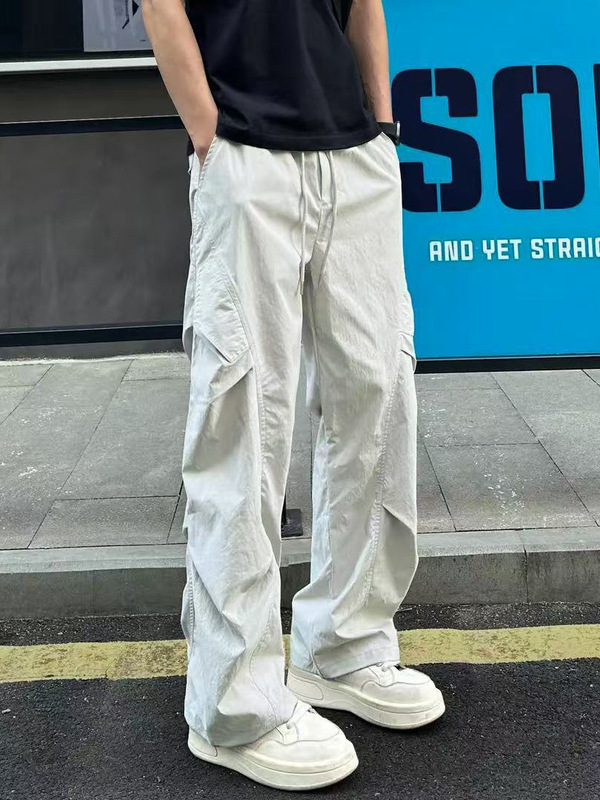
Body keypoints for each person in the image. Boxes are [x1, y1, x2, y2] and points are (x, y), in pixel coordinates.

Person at [142, 0, 445, 790]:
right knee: (242, 421)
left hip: (354, 153)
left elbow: (363, 3)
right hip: (244, 151)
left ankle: (344, 645)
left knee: (378, 396)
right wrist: (209, 136)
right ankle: (232, 707)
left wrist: (382, 126)